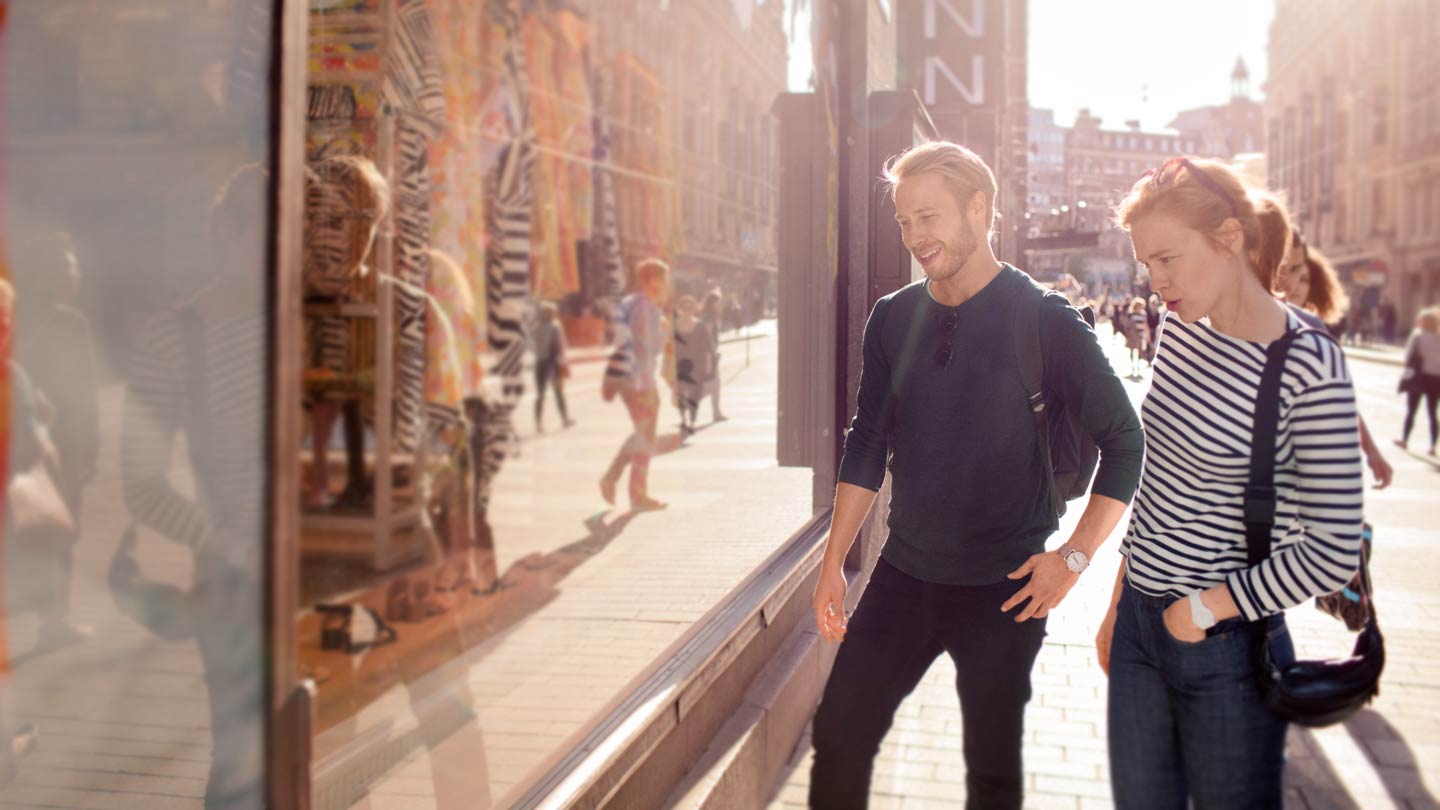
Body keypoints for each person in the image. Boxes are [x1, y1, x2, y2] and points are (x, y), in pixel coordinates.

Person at [808, 141, 1144, 810]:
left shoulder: (1044, 319)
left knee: (990, 771)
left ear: (979, 208)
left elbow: (1126, 441)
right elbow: (867, 441)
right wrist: (833, 562)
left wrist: (1073, 559)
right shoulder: (892, 318)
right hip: (904, 574)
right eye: (904, 221)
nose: (914, 236)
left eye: (927, 216)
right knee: (840, 733)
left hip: (1007, 587)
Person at [1097, 157, 1365, 809]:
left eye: (1168, 260)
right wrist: (1116, 602)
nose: (1157, 284)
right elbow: (1156, 481)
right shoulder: (1183, 332)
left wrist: (1204, 609)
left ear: (1229, 238)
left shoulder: (1309, 361)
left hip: (1227, 647)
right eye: (1146, 267)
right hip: (1138, 624)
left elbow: (1332, 549)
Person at [10, 232, 99, 645]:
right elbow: (84, 391)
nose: (75, 276)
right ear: (46, 275)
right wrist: (88, 446)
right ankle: (54, 622)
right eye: (68, 269)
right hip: (54, 442)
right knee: (61, 529)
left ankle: (50, 617)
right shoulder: (69, 324)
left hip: (19, 438)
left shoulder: (13, 316)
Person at [1268, 220, 1394, 487]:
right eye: (1284, 269)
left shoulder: (1310, 326)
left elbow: (1339, 400)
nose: (1292, 284)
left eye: (1300, 274)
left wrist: (1370, 451)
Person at [600, 259, 672, 511]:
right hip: (642, 382)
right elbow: (650, 347)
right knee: (645, 438)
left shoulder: (629, 303)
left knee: (642, 435)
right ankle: (634, 494)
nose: (665, 284)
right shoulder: (648, 308)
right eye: (663, 278)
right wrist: (663, 330)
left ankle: (617, 481)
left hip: (626, 379)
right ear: (651, 280)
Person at [1395, 306, 1440, 456]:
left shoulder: (1417, 335)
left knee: (1411, 411)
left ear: (1422, 321)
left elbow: (1407, 357)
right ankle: (1433, 446)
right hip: (1436, 378)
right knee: (1433, 412)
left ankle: (1405, 439)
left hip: (1419, 378)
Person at [530, 300, 573, 433]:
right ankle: (565, 419)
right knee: (558, 392)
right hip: (552, 363)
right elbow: (560, 345)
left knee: (540, 394)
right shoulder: (555, 326)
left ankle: (538, 423)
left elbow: (532, 346)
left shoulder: (535, 328)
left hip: (539, 363)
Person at [672, 294, 710, 437]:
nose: (687, 310)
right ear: (679, 309)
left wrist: (708, 364)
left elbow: (707, 347)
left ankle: (692, 421)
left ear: (695, 309)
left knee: (695, 394)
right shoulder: (674, 326)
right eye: (684, 307)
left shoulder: (700, 326)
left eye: (690, 307)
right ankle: (683, 419)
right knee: (681, 393)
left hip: (697, 365)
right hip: (680, 364)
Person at [700, 288, 726, 422]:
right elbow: (708, 335)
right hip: (708, 354)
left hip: (709, 353)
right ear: (712, 303)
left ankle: (716, 412)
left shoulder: (710, 316)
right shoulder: (709, 317)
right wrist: (712, 354)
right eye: (718, 302)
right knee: (712, 383)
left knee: (714, 383)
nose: (720, 305)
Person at [1125, 297, 1149, 378]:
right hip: (1132, 336)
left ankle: (1138, 367)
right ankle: (1132, 367)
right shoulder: (1130, 314)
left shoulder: (1143, 314)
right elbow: (1127, 325)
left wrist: (1147, 336)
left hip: (1141, 335)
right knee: (1132, 351)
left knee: (1140, 352)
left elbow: (1145, 325)